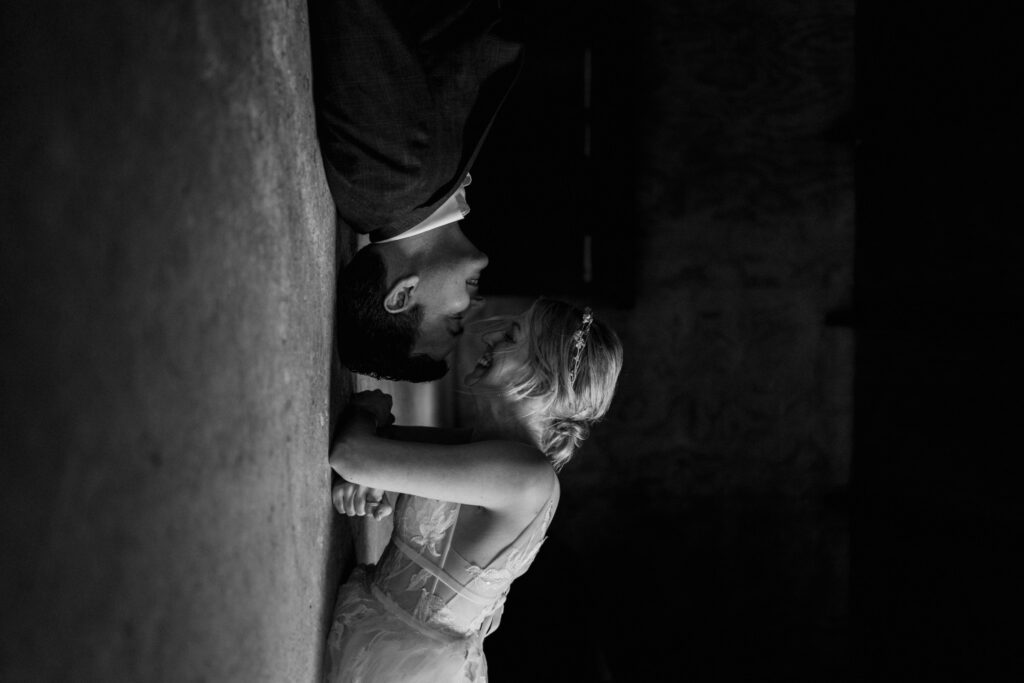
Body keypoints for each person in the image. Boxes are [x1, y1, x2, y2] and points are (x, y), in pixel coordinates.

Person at [324, 299, 623, 682]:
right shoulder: (483, 444)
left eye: (511, 336)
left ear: (546, 377)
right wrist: (372, 475)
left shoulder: (526, 476)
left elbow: (353, 454)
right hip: (380, 633)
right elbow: (375, 455)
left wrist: (369, 409)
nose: (488, 335)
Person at [310, 0, 525, 381]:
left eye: (455, 318)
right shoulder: (422, 188)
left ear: (402, 296)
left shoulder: (391, 177)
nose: (473, 305)